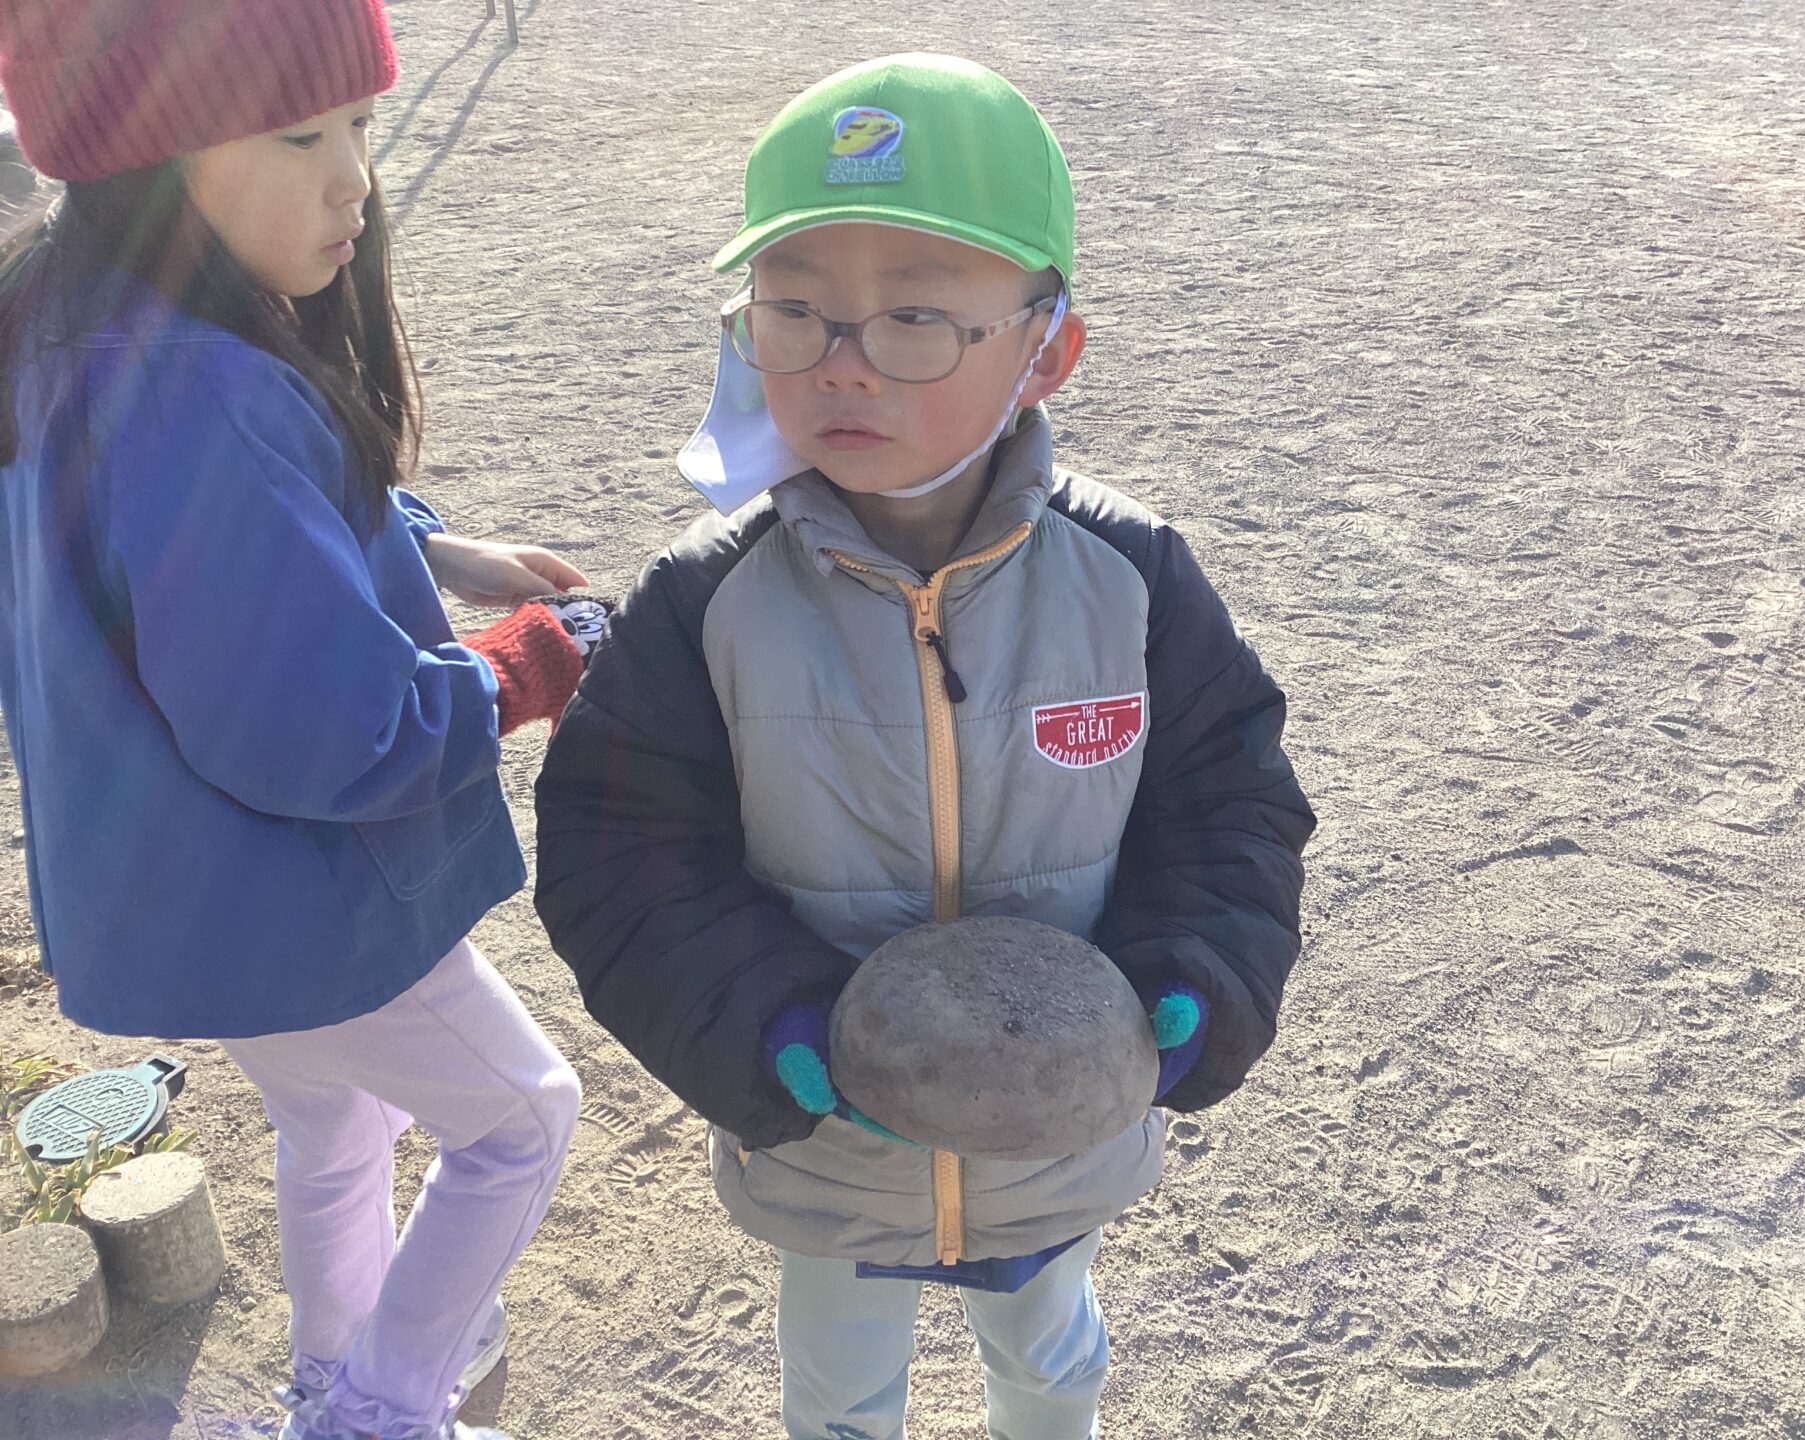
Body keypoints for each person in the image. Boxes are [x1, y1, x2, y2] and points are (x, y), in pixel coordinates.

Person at [536, 53, 1316, 1440]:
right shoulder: (705, 601)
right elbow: (624, 862)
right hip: (832, 1147)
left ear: (1045, 351)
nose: (842, 361)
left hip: (1056, 1133)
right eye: (793, 311)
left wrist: (1192, 975)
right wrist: (767, 1028)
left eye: (914, 317)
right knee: (839, 1391)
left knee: (1052, 1358)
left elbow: (1229, 807)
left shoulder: (1132, 579)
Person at [0, 4, 608, 1437]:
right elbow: (333, 736)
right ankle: (380, 1411)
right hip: (297, 895)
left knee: (336, 1121)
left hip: (177, 897)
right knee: (522, 1120)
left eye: (361, 126)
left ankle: (331, 1373)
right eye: (298, 136)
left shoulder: (75, 324)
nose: (355, 181)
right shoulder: (201, 390)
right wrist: (531, 661)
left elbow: (233, 530)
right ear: (151, 157)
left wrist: (438, 549)